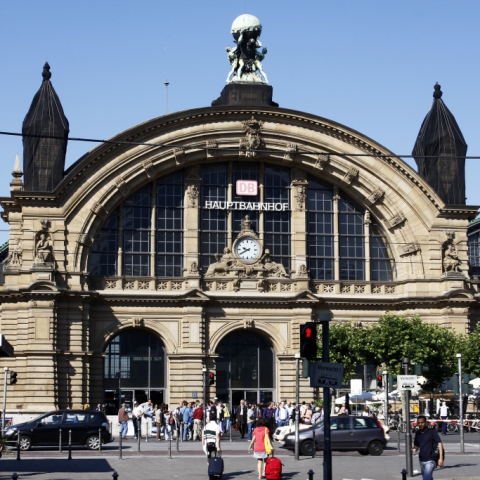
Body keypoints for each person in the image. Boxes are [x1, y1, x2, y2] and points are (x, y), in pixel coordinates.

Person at [412, 415, 444, 480]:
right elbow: (416, 446)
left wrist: (441, 458)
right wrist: (413, 449)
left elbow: (439, 443)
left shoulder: (432, 431)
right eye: (419, 423)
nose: (420, 424)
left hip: (431, 460)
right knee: (428, 478)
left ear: (426, 423)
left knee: (426, 478)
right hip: (422, 459)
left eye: (422, 422)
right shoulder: (418, 433)